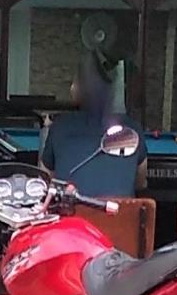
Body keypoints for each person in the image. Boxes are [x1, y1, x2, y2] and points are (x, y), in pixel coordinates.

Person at [41, 56, 147, 197]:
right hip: (121, 211)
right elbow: (140, 183)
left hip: (73, 210)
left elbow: (45, 180)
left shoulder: (59, 126)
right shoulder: (133, 129)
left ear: (78, 89)